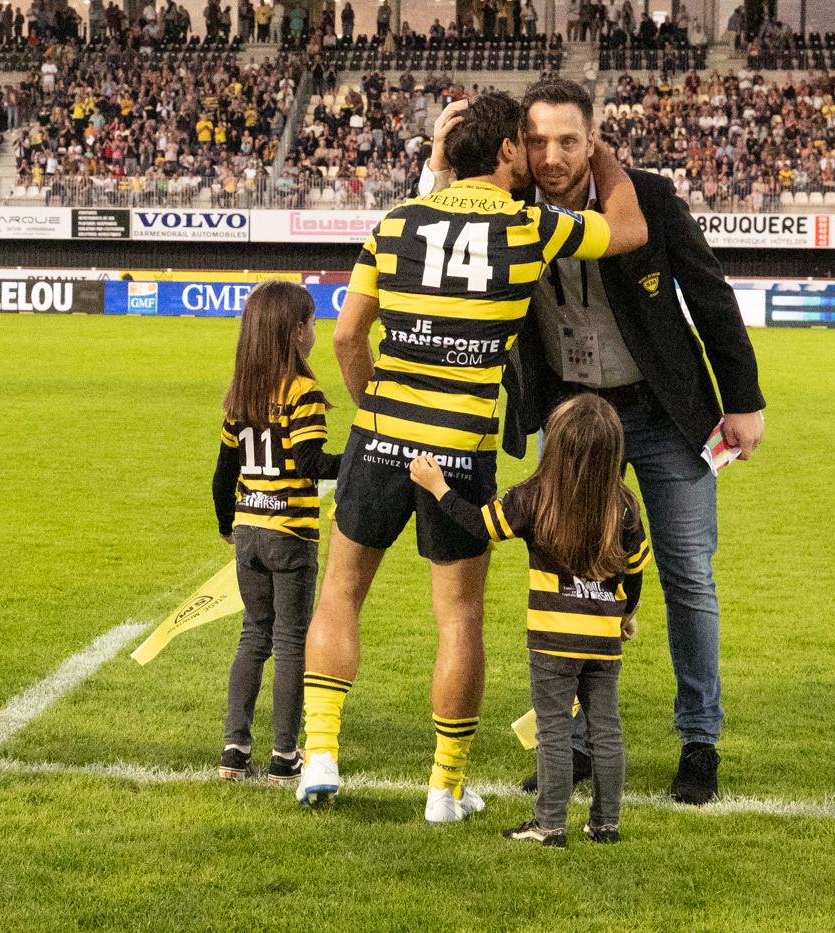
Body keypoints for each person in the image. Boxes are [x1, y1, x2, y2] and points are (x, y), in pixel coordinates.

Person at [295, 92, 648, 823]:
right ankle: (444, 788)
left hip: (380, 435)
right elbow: (628, 229)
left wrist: (374, 413)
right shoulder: (530, 226)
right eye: (526, 143)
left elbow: (346, 337)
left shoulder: (396, 221)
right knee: (458, 619)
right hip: (459, 449)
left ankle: (321, 753)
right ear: (509, 149)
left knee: (340, 593)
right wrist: (600, 151)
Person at [417, 78, 764, 805]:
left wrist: (743, 400)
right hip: (574, 423)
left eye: (568, 141)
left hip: (664, 414)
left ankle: (699, 741)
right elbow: (435, 229)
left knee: (687, 575)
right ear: (518, 145)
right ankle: (573, 744)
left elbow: (710, 295)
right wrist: (442, 160)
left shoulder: (648, 198)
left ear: (592, 140)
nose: (552, 156)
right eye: (537, 140)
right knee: (571, 575)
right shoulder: (507, 206)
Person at [409, 393, 650, 847]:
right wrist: (625, 615)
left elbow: (479, 525)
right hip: (603, 640)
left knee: (554, 730)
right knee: (606, 729)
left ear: (554, 445)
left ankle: (549, 825)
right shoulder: (625, 506)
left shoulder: (533, 496)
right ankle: (606, 824)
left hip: (552, 639)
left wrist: (438, 487)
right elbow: (635, 572)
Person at [211, 281, 342, 786]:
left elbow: (222, 475)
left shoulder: (241, 394)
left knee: (253, 636)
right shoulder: (303, 393)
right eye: (312, 323)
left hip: (248, 530)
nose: (315, 331)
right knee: (290, 642)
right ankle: (285, 755)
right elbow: (312, 464)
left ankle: (234, 749)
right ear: (296, 332)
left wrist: (227, 525)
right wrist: (361, 457)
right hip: (291, 533)